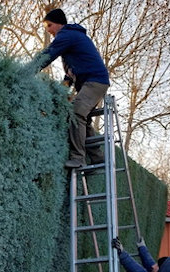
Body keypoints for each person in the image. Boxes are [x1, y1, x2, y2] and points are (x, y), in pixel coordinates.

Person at [33, 9, 110, 168]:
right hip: (93, 82)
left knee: (76, 114)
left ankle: (78, 158)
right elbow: (69, 75)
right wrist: (63, 92)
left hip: (94, 81)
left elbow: (48, 55)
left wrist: (26, 71)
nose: (48, 29)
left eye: (49, 25)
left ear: (59, 23)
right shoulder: (71, 42)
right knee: (85, 119)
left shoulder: (67, 35)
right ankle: (97, 157)